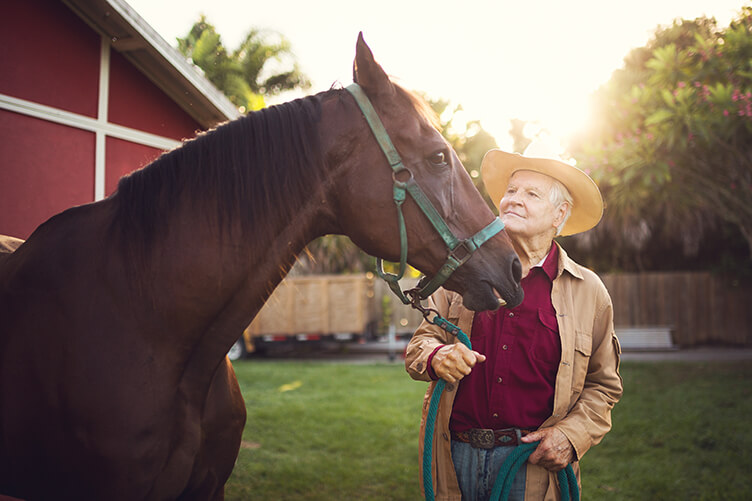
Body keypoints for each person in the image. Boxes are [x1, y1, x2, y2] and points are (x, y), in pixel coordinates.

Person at [405, 140, 623, 501]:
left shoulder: (590, 293)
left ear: (560, 214)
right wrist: (436, 356)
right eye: (511, 190)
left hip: (534, 465)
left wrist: (571, 436)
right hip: (454, 457)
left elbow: (604, 386)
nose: (514, 199)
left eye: (532, 193)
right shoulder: (458, 274)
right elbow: (420, 343)